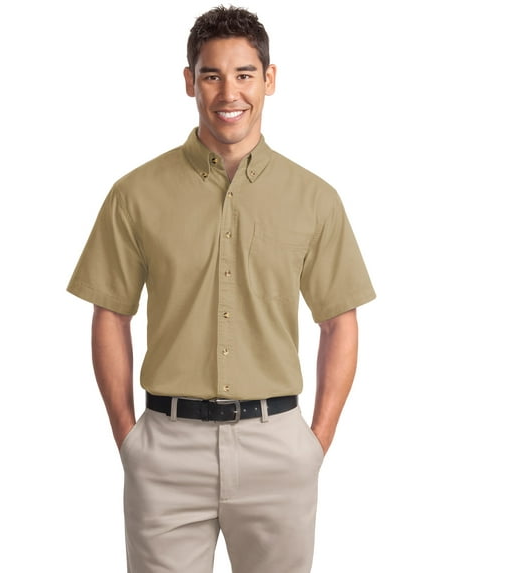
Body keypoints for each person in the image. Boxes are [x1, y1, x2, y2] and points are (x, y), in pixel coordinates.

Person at [67, 6, 375, 572]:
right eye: (212, 75)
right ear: (190, 81)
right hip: (165, 451)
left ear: (269, 79)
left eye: (244, 74)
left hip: (277, 450)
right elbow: (110, 313)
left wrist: (315, 442)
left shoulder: (315, 199)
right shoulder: (135, 194)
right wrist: (128, 437)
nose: (229, 93)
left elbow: (339, 321)